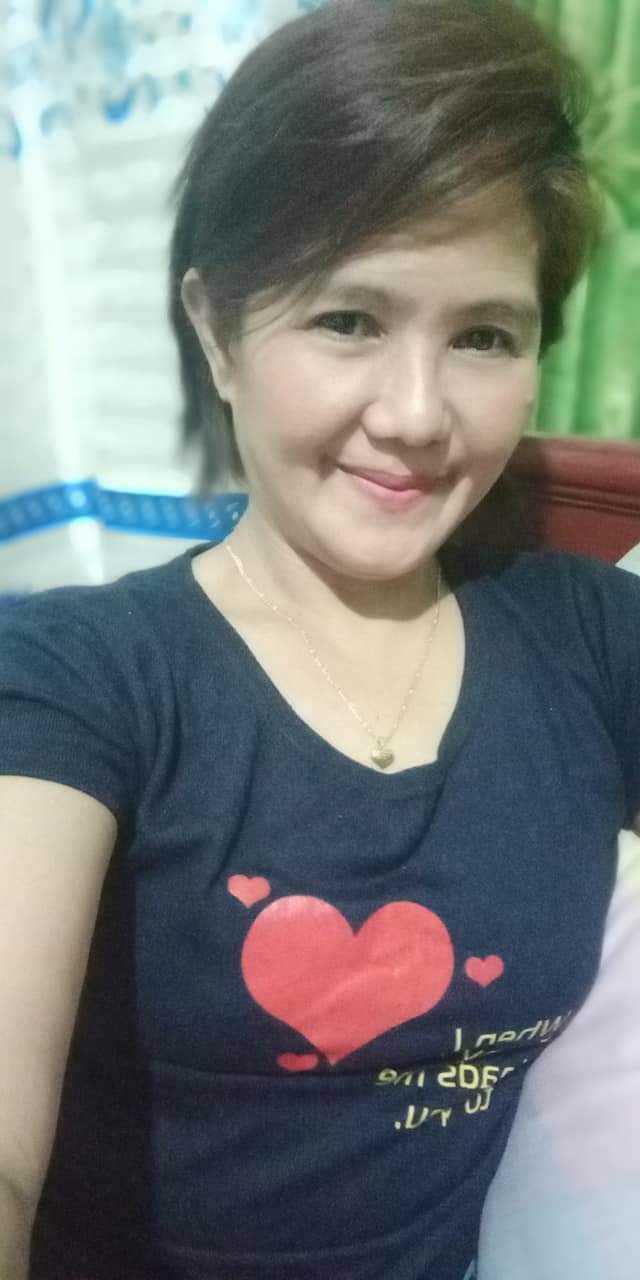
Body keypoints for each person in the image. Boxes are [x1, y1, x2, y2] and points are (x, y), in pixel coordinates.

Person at [0, 1, 638, 1278]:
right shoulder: (79, 678)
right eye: (348, 319)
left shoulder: (591, 639)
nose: (415, 414)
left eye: (483, 335)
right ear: (215, 328)